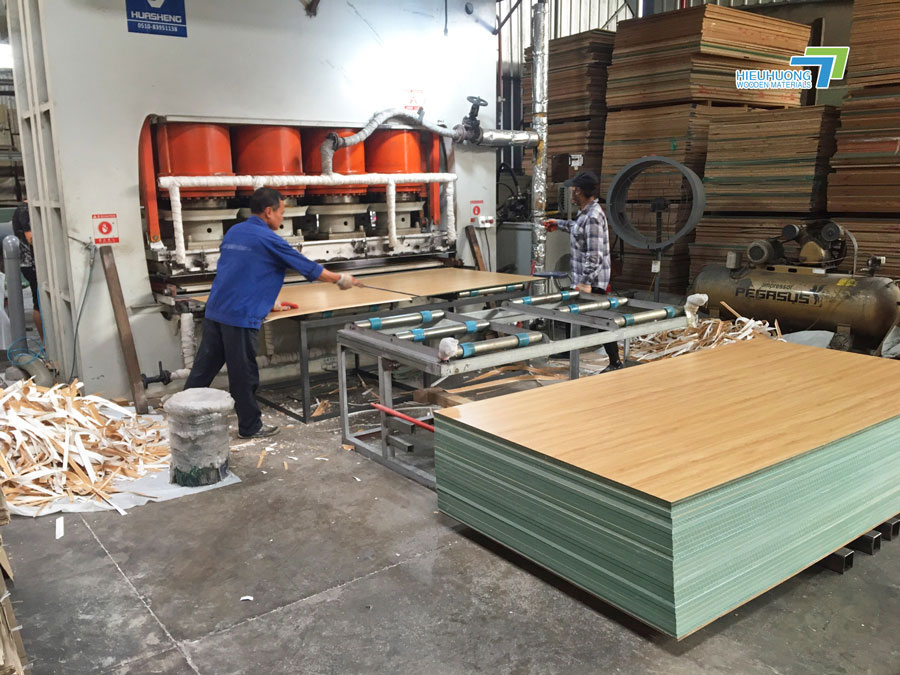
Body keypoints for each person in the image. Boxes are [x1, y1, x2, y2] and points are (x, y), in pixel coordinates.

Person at [184, 187, 362, 439]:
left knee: (203, 370)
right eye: (282, 212)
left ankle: (181, 417)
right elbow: (308, 268)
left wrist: (267, 303)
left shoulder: (235, 231)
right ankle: (250, 427)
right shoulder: (269, 239)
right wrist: (341, 279)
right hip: (240, 317)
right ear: (269, 211)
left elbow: (241, 271)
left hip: (216, 310)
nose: (282, 217)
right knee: (243, 376)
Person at [542, 170, 622, 373]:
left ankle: (615, 362)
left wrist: (585, 282)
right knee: (572, 314)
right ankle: (571, 351)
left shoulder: (593, 217)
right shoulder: (585, 213)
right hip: (581, 278)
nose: (570, 193)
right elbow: (577, 228)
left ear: (578, 191)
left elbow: (595, 256)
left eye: (573, 189)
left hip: (592, 281)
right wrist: (558, 224)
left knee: (600, 320)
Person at [11, 201, 42, 341]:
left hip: (34, 263)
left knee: (40, 301)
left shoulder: (27, 209)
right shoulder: (25, 210)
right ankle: (46, 342)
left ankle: (48, 341)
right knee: (39, 303)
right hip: (31, 264)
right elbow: (31, 239)